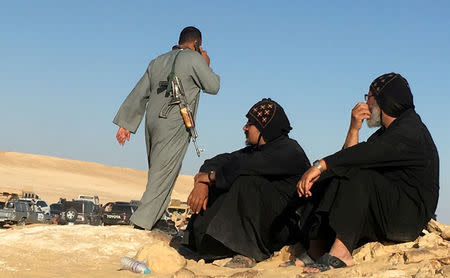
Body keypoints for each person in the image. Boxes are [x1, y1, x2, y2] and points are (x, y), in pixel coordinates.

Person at [289, 73, 439, 273]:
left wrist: (320, 165)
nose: (365, 102)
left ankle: (341, 253)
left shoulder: (411, 130)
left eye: (368, 96)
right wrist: (354, 129)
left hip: (408, 219)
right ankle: (316, 249)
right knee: (334, 172)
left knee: (356, 172)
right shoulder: (385, 133)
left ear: (382, 100)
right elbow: (349, 157)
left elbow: (360, 157)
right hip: (385, 210)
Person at [113, 26, 220, 230]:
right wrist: (206, 64)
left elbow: (140, 92)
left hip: (152, 120)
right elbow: (213, 86)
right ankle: (141, 223)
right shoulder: (195, 59)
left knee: (159, 170)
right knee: (164, 171)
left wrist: (125, 124)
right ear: (197, 44)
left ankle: (158, 217)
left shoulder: (158, 60)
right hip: (174, 121)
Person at [182, 98, 311, 268]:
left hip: (281, 228)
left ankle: (248, 253)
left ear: (264, 127)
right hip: (260, 226)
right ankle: (197, 239)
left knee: (247, 182)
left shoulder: (290, 150)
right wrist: (202, 184)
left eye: (250, 123)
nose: (245, 127)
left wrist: (212, 177)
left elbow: (241, 166)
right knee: (229, 180)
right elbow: (222, 160)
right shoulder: (254, 151)